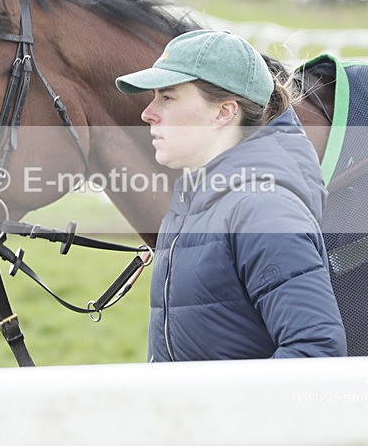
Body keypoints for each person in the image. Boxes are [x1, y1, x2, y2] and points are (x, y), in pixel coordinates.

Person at [115, 29, 347, 361]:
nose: (147, 113)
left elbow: (316, 350)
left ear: (224, 112)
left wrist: (229, 412)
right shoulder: (192, 203)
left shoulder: (263, 211)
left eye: (167, 97)